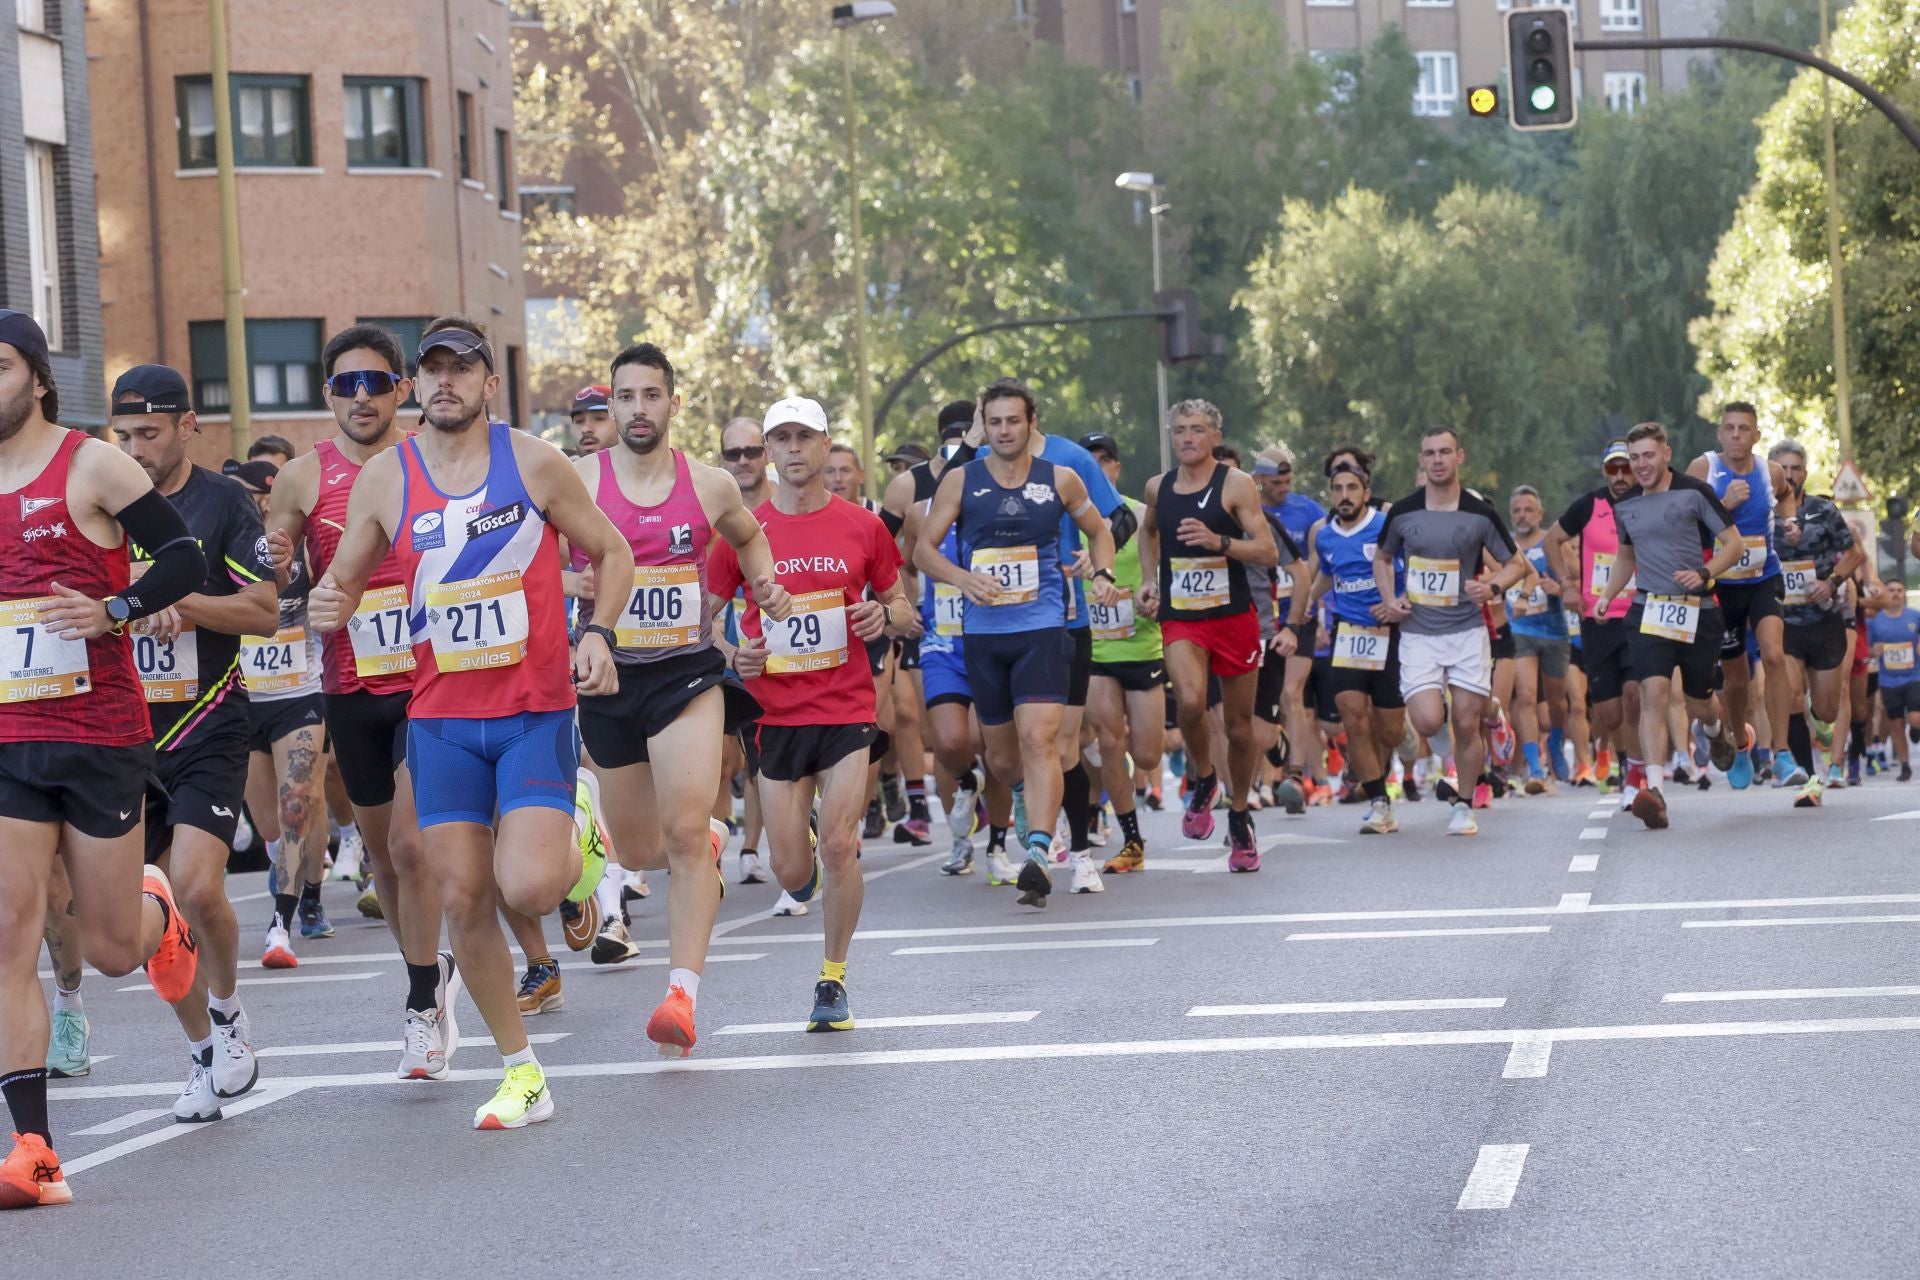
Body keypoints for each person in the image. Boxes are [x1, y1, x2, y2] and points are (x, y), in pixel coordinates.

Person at [309, 316, 634, 1130]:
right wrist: (326, 601)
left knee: (529, 884)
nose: (446, 382)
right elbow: (345, 578)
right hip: (442, 719)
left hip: (532, 711)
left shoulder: (533, 462)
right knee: (461, 897)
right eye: (434, 370)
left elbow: (613, 552)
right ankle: (522, 1071)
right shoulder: (387, 478)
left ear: (491, 383)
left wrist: (598, 633)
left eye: (464, 369)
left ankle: (578, 824)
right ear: (416, 384)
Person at [0, 312, 203, 1207]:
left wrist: (114, 609)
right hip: (8, 739)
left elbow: (187, 556)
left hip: (99, 733)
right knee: (10, 934)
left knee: (115, 949)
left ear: (38, 378)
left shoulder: (91, 464)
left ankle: (157, 915)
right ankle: (35, 1153)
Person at [568, 343, 783, 1054]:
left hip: (687, 673)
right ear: (611, 408)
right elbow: (530, 560)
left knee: (686, 835)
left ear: (673, 403)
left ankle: (681, 997)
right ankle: (698, 840)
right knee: (637, 846)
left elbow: (750, 540)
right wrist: (572, 589)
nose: (636, 409)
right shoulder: (576, 482)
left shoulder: (710, 484)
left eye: (650, 395)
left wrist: (766, 584)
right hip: (607, 678)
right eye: (624, 397)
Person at [268, 324, 455, 1081]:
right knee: (383, 859)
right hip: (350, 687)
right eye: (346, 385)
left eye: (375, 382)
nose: (361, 397)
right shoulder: (301, 478)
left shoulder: (429, 463)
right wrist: (275, 559)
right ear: (327, 396)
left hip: (429, 683)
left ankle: (418, 1010)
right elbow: (274, 556)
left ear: (401, 390)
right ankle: (428, 974)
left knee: (413, 848)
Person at [108, 364, 280, 1122]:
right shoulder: (99, 502)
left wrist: (185, 602)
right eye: (123, 435)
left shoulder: (223, 503)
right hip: (120, 734)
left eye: (149, 433)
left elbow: (267, 611)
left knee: (199, 884)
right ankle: (203, 1049)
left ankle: (232, 1013)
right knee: (140, 914)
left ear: (187, 426)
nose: (135, 448)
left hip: (209, 720)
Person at [711, 397, 907, 1030]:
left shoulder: (863, 526)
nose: (793, 448)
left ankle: (832, 979)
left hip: (847, 708)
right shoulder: (744, 530)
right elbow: (704, 621)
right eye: (781, 438)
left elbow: (902, 608)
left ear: (826, 446)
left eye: (805, 436)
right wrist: (732, 654)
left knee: (843, 844)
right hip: (773, 713)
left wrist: (884, 616)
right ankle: (806, 870)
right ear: (768, 451)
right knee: (792, 870)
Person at [915, 381, 1121, 907]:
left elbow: (1101, 532)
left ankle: (1036, 849)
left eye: (1015, 421)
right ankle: (1022, 801)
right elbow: (923, 551)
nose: (1006, 430)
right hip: (984, 636)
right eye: (997, 421)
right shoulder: (962, 481)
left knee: (1041, 740)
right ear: (985, 425)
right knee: (1004, 760)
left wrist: (1100, 571)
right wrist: (962, 579)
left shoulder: (1061, 478)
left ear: (1032, 425)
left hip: (1044, 628)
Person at [1139, 401, 1289, 868]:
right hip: (1182, 616)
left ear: (1214, 434)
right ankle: (1204, 777)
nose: (1187, 438)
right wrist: (1149, 581)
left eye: (1197, 430)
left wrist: (1219, 542)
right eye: (1180, 430)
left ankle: (1240, 814)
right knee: (1188, 699)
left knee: (1240, 728)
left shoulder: (1237, 485)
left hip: (1233, 617)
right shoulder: (1157, 487)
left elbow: (1267, 552)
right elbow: (1148, 533)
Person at [1594, 422, 1747, 830]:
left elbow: (1735, 545)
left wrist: (1705, 572)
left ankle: (1715, 730)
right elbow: (1626, 556)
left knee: (1699, 700)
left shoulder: (1693, 493)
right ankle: (1655, 791)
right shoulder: (1624, 504)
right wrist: (1609, 594)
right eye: (1634, 457)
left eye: (1648, 455)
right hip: (1648, 608)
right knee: (1653, 692)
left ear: (1666, 454)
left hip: (1698, 608)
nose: (1640, 465)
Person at [1372, 428, 1524, 836]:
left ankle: (1464, 804)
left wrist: (1492, 587)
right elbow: (1382, 560)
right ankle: (1493, 709)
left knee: (1465, 721)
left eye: (1444, 452)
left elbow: (1516, 564)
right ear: (1421, 461)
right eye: (1429, 454)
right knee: (1425, 721)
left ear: (1459, 456)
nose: (1437, 460)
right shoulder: (1403, 512)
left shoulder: (1479, 513)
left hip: (1466, 631)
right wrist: (1391, 598)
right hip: (1419, 632)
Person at [892, 404, 1016, 882]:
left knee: (996, 747)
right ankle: (966, 800)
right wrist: (905, 607)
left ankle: (996, 845)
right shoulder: (921, 512)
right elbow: (901, 562)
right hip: (942, 639)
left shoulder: (1004, 506)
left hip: (992, 635)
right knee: (947, 742)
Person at [228, 458, 332, 964]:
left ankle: (282, 924)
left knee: (298, 806)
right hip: (246, 701)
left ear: (269, 497)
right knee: (273, 826)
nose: (244, 502)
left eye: (249, 493)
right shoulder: (223, 543)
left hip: (300, 696)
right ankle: (305, 880)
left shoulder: (304, 547)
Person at [1687, 402, 1789, 789]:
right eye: (1729, 428)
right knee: (1736, 678)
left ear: (1756, 435)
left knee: (1774, 653)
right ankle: (1741, 742)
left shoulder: (1771, 472)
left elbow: (1786, 497)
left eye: (1744, 429)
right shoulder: (1704, 469)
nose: (1735, 435)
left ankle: (1781, 753)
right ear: (1719, 433)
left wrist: (1791, 525)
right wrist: (1721, 504)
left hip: (1764, 576)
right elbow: (1684, 518)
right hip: (1722, 583)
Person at [1079, 433, 1165, 874]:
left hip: (1143, 644)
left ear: (1115, 469)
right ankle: (1131, 838)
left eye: (1105, 462)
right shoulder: (1065, 520)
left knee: (1147, 754)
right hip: (1093, 648)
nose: (1098, 470)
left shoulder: (1140, 517)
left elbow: (1163, 570)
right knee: (1111, 742)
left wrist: (1153, 594)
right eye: (1088, 464)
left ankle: (1118, 776)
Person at [1307, 456, 1406, 834]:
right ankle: (1380, 802)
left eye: (1351, 489)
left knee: (1390, 731)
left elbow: (1410, 567)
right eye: (1337, 489)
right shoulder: (1325, 534)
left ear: (1366, 493)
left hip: (1389, 635)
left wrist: (1396, 602)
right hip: (1347, 635)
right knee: (1352, 715)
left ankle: (1403, 734)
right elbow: (1327, 577)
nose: (1344, 496)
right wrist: (1307, 607)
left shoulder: (1386, 526)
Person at [1545, 442, 1643, 803]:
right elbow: (1551, 540)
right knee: (1609, 712)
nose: (1620, 477)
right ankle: (1620, 757)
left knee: (1636, 696)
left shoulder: (1650, 501)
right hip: (1598, 618)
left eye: (1626, 468)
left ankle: (1635, 775)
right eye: (1612, 470)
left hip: (1638, 614)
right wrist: (1567, 586)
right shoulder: (1589, 505)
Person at [1767, 440, 1862, 806]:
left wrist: (1832, 583)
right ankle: (1809, 779)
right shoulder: (1761, 512)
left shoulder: (1824, 510)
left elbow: (1854, 554)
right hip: (1783, 621)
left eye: (1795, 469)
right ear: (1772, 473)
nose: (1788, 475)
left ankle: (1821, 727)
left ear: (1804, 473)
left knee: (1824, 709)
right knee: (1789, 694)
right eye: (1782, 469)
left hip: (1823, 621)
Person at [1252, 446, 1326, 807]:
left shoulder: (1308, 510)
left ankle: (1295, 775)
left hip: (1297, 616)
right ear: (1258, 480)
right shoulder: (1245, 510)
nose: (1283, 487)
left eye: (1287, 480)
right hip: (1259, 619)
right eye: (1275, 482)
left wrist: (1311, 598)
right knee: (1260, 705)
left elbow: (1322, 555)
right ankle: (1267, 767)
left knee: (1291, 693)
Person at [1506, 485, 1571, 793]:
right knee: (1526, 698)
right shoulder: (1504, 545)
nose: (1522, 515)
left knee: (1557, 701)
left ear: (1540, 513)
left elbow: (1577, 580)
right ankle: (1534, 767)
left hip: (1554, 631)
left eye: (1528, 509)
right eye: (1517, 510)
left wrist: (1560, 588)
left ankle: (1556, 741)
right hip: (1520, 631)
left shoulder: (1553, 543)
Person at [1868, 577, 1920, 781]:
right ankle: (1905, 765)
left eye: (1899, 590)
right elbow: (1870, 650)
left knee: (1915, 717)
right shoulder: (1876, 620)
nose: (1896, 593)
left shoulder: (1915, 616)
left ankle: (1916, 728)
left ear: (1904, 593)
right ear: (1884, 594)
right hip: (1888, 680)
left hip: (1914, 676)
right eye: (1891, 590)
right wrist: (1875, 651)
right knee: (1896, 724)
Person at [569, 384, 614, 454]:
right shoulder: (559, 464)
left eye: (599, 419)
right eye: (579, 421)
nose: (586, 429)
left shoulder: (636, 464)